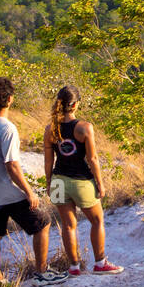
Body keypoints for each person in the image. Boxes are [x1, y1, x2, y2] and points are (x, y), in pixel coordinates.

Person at [0, 76, 67, 286]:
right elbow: (12, 166)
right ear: (9, 99)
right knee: (42, 223)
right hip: (8, 191)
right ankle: (42, 272)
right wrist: (29, 192)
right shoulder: (7, 129)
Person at [43, 85, 122, 275]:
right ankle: (100, 263)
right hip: (81, 182)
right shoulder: (84, 128)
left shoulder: (50, 129)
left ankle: (74, 267)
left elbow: (48, 160)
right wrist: (100, 184)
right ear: (76, 104)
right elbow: (92, 159)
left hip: (59, 181)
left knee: (68, 225)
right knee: (97, 220)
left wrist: (48, 183)